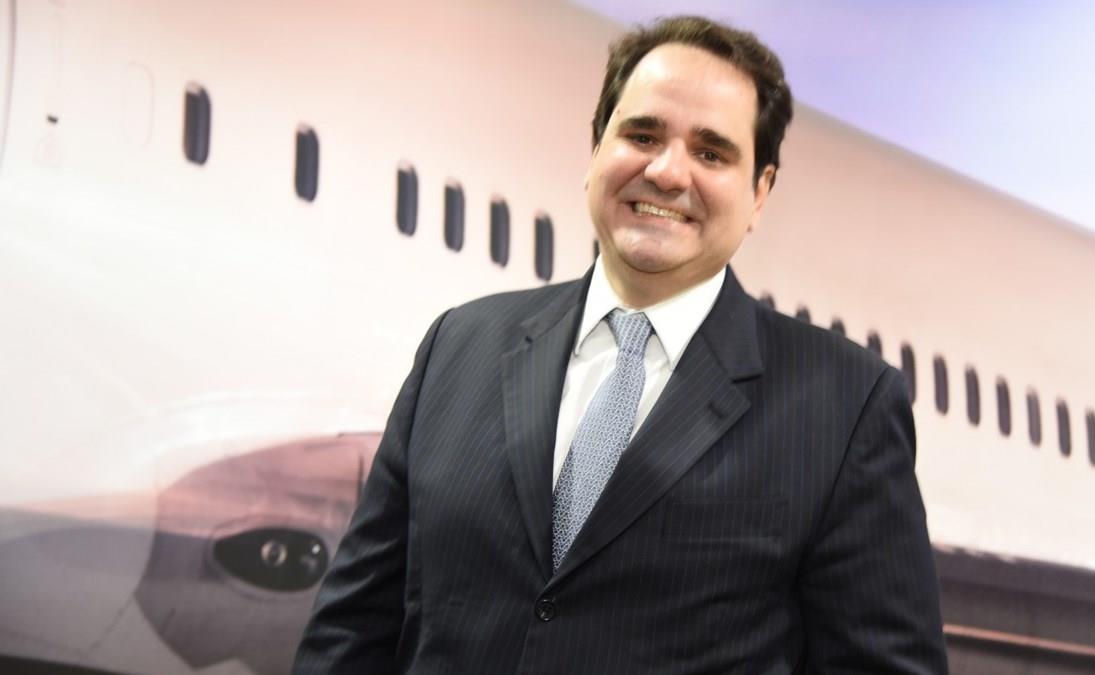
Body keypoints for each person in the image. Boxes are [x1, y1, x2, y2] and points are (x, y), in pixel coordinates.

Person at [294, 15, 947, 674]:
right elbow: (352, 630)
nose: (667, 172)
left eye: (711, 153)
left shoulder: (844, 405)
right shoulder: (456, 348)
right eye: (642, 135)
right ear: (596, 150)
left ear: (759, 193)